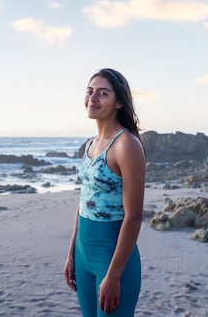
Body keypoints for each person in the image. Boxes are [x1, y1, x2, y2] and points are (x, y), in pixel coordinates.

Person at [63, 68, 146, 316]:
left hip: (112, 259)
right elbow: (84, 201)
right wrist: (71, 254)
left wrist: (113, 275)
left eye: (103, 93)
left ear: (119, 102)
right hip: (82, 253)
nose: (93, 98)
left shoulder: (126, 145)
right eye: (90, 91)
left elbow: (134, 216)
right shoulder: (90, 144)